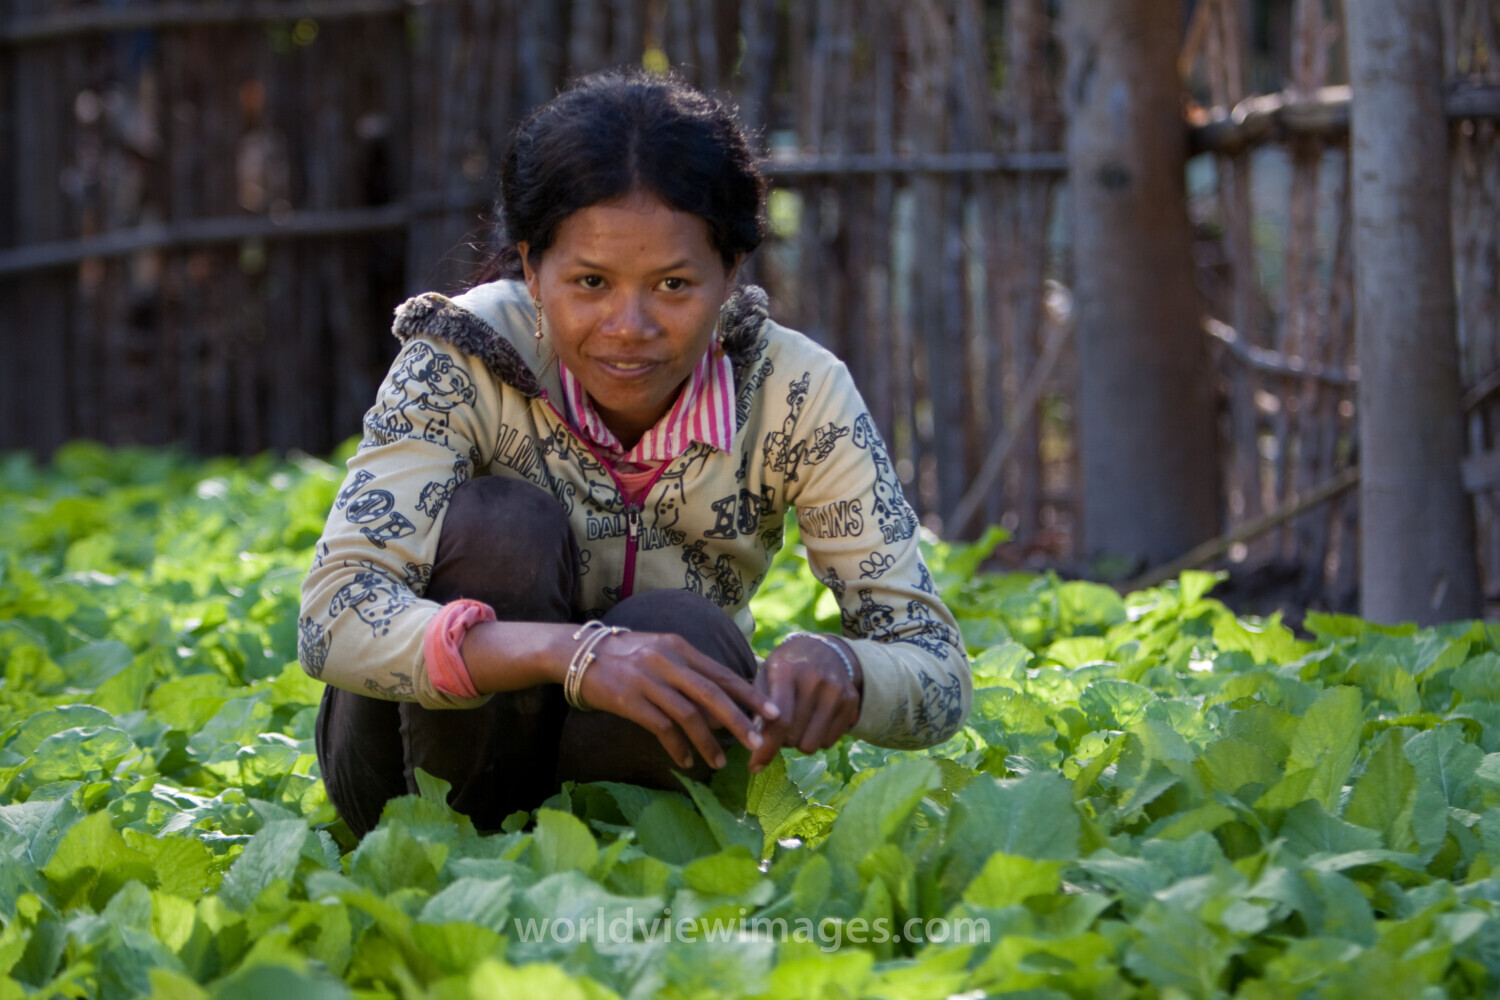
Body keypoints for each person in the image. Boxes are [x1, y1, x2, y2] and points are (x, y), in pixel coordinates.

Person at [300, 68, 970, 837]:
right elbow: (333, 616)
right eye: (589, 281)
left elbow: (937, 667)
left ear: (731, 276)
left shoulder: (796, 394)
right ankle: (461, 842)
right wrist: (578, 655)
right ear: (530, 266)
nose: (630, 326)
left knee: (685, 631)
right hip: (403, 787)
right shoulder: (459, 358)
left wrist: (849, 668)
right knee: (501, 529)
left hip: (632, 787)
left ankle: (607, 851)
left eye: (674, 285)